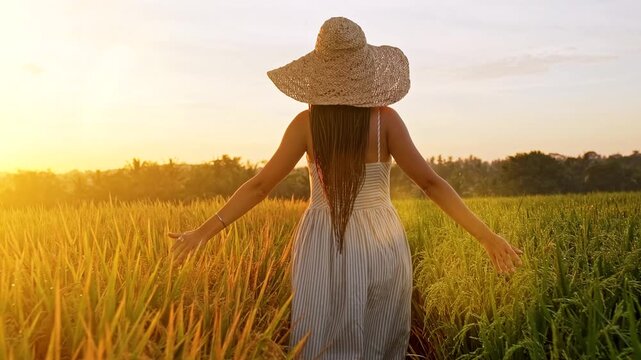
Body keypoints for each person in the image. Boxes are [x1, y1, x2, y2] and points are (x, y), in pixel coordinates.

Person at [168, 16, 524, 359]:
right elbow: (432, 183)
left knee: (321, 336)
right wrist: (486, 236)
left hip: (324, 238)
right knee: (379, 335)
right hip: (381, 238)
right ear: (364, 70)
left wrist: (202, 232)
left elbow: (259, 186)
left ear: (318, 73)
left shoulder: (306, 125)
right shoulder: (386, 122)